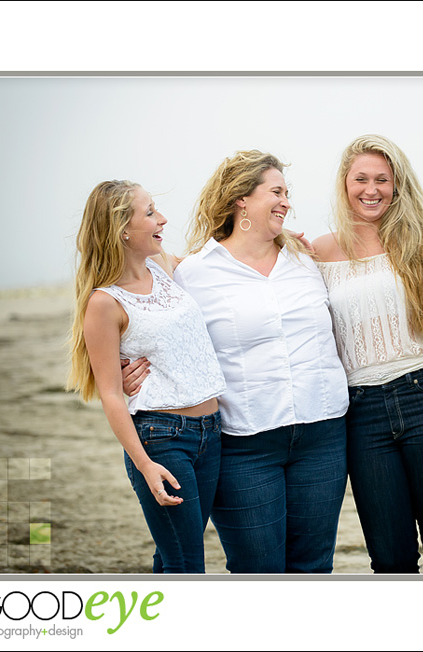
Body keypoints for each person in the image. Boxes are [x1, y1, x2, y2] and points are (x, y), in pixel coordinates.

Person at [124, 151, 350, 573]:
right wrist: (127, 364)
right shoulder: (192, 273)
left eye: (288, 194)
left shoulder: (306, 261)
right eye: (276, 192)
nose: (286, 202)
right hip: (245, 444)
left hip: (324, 436)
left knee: (314, 568)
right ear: (240, 199)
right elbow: (133, 310)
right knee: (256, 571)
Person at [312, 135, 423, 573]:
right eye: (361, 178)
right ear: (344, 184)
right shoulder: (316, 252)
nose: (372, 189)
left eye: (382, 179)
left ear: (397, 184)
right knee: (389, 557)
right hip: (360, 412)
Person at [67, 180, 227, 573]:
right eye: (151, 212)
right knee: (187, 564)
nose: (163, 219)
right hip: (162, 441)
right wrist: (144, 464)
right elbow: (110, 394)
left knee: (174, 557)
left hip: (212, 432)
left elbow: (219, 258)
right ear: (123, 228)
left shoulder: (163, 265)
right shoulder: (104, 303)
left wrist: (278, 237)